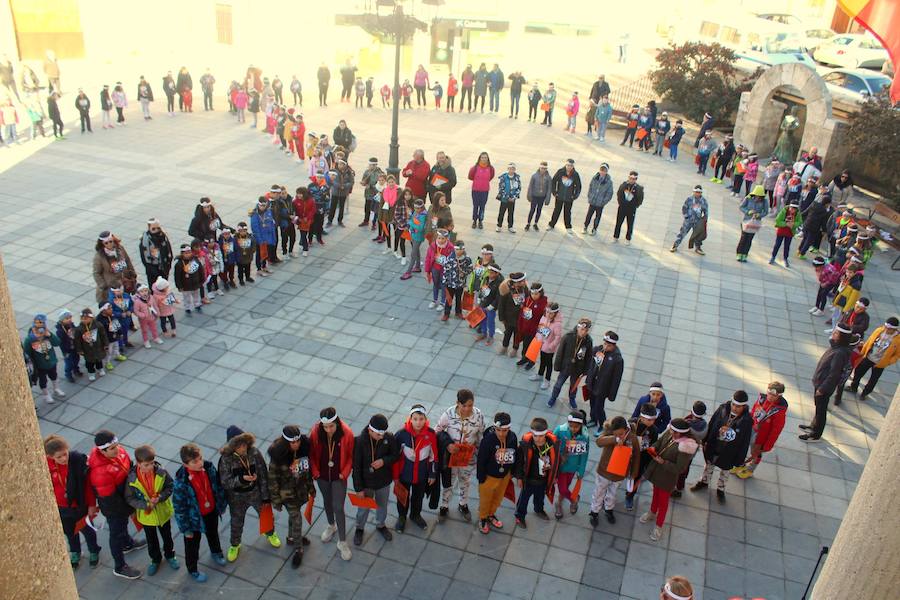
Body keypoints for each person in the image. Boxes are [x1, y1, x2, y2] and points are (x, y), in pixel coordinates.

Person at [88, 430, 145, 579]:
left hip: (123, 497)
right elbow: (110, 499)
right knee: (116, 533)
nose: (117, 450)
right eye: (112, 448)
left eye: (117, 445)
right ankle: (119, 566)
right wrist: (129, 507)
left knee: (122, 527)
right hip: (114, 506)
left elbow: (128, 465)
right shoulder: (100, 473)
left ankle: (127, 544)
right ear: (103, 451)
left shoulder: (117, 453)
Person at [218, 427, 279, 562]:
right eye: (239, 445)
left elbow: (263, 474)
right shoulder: (226, 459)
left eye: (245, 444)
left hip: (255, 493)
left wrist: (266, 496)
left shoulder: (254, 453)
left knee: (266, 515)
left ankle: (270, 533)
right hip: (237, 498)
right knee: (236, 522)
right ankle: (235, 544)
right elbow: (225, 482)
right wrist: (241, 479)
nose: (243, 448)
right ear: (233, 446)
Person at [173, 443, 227, 582]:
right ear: (186, 464)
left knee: (213, 533)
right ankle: (192, 569)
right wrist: (185, 528)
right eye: (195, 461)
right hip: (193, 519)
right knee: (192, 546)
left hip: (211, 511)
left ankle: (216, 552)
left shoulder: (208, 468)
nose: (199, 463)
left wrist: (221, 504)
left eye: (200, 458)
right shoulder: (181, 482)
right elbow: (179, 507)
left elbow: (218, 486)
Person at [45, 435, 101, 569]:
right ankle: (75, 551)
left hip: (80, 505)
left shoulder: (77, 461)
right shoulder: (46, 466)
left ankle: (94, 550)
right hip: (62, 507)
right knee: (69, 532)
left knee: (87, 530)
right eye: (59, 457)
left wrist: (92, 505)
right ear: (50, 456)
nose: (64, 459)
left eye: (65, 454)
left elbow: (87, 486)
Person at [639, 419, 699, 541]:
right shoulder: (670, 433)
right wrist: (654, 448)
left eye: (675, 432)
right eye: (672, 430)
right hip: (657, 471)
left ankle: (658, 526)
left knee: (663, 502)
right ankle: (652, 512)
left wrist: (663, 462)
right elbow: (660, 441)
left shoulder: (685, 447)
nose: (672, 433)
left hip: (667, 478)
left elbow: (680, 468)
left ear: (682, 433)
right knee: (655, 494)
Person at [124, 445, 179, 575]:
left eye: (152, 463)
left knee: (167, 536)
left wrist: (160, 497)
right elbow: (129, 498)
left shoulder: (161, 472)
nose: (150, 467)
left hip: (162, 512)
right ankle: (155, 559)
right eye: (147, 465)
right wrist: (144, 505)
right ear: (138, 464)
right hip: (146, 516)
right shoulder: (132, 479)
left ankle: (170, 555)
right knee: (151, 539)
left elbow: (170, 486)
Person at [691, 391, 753, 503]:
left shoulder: (747, 421)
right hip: (714, 445)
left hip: (729, 451)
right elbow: (712, 423)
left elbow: (745, 441)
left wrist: (740, 459)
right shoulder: (723, 409)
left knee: (725, 471)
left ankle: (721, 489)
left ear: (744, 406)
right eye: (733, 404)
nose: (734, 408)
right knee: (708, 465)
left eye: (738, 406)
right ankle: (704, 482)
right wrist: (705, 440)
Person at [309, 407, 354, 560]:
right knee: (327, 501)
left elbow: (350, 457)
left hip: (338, 476)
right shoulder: (316, 431)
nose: (328, 430)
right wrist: (315, 472)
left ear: (337, 423)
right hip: (322, 475)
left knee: (338, 506)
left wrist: (345, 473)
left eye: (331, 426)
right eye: (325, 427)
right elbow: (312, 454)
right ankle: (331, 525)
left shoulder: (347, 433)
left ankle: (342, 541)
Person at [267, 425, 315, 568]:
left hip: (300, 491)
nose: (296, 444)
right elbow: (273, 480)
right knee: (297, 519)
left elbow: (307, 471)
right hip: (287, 495)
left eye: (298, 441)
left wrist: (311, 488)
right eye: (292, 442)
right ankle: (298, 548)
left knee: (293, 518)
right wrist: (276, 501)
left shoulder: (303, 451)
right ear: (285, 442)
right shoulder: (277, 457)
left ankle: (291, 537)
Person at [435, 389, 485, 523]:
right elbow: (437, 432)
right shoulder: (448, 414)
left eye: (471, 405)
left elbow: (481, 435)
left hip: (469, 457)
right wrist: (447, 445)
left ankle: (463, 504)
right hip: (451, 457)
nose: (468, 409)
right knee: (448, 482)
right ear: (457, 403)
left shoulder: (478, 415)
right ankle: (444, 506)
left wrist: (481, 454)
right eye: (464, 406)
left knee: (465, 481)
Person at [800, 326, 855, 442]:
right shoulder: (836, 347)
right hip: (820, 383)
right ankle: (813, 425)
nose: (833, 334)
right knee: (818, 407)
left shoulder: (840, 353)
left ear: (842, 337)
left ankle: (816, 434)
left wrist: (823, 388)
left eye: (836, 333)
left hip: (824, 386)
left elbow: (834, 374)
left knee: (821, 410)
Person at [351, 414, 398, 546]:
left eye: (383, 434)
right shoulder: (359, 442)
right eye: (378, 434)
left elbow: (395, 455)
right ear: (370, 430)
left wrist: (384, 461)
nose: (381, 437)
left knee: (382, 505)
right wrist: (358, 489)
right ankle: (359, 528)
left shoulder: (389, 437)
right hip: (366, 484)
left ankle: (381, 524)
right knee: (363, 508)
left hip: (383, 481)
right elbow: (356, 467)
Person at [393, 404, 438, 532]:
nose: (418, 422)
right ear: (410, 419)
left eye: (421, 419)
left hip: (421, 475)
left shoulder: (430, 434)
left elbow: (434, 456)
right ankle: (402, 517)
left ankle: (415, 515)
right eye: (415, 419)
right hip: (404, 475)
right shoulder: (401, 435)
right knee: (402, 498)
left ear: (425, 419)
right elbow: (395, 458)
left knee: (418, 497)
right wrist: (395, 477)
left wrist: (432, 474)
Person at [589, 415, 640, 526]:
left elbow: (636, 456)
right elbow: (599, 442)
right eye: (615, 434)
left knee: (612, 493)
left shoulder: (633, 438)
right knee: (599, 492)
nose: (618, 436)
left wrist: (634, 473)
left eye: (620, 434)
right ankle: (594, 512)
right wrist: (614, 439)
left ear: (626, 429)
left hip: (619, 473)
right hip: (604, 471)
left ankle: (609, 509)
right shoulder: (610, 432)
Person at [734, 383, 788, 479]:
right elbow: (754, 411)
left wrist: (767, 446)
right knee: (743, 447)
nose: (770, 397)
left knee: (755, 453)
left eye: (773, 395)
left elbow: (776, 431)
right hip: (751, 429)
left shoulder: (779, 412)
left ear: (779, 396)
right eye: (769, 393)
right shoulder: (761, 400)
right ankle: (739, 463)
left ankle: (750, 469)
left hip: (761, 437)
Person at [476, 412, 517, 534]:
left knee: (498, 498)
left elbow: (515, 455)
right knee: (485, 499)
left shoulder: (513, 438)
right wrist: (481, 477)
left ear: (509, 428)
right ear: (494, 428)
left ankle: (491, 514)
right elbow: (481, 459)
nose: (501, 433)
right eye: (498, 430)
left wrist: (512, 472)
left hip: (504, 476)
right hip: (489, 477)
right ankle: (483, 518)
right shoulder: (488, 440)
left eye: (504, 431)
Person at [513, 417, 558, 527]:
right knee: (523, 500)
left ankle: (538, 509)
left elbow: (556, 460)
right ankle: (520, 516)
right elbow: (518, 462)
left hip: (543, 479)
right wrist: (519, 477)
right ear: (531, 434)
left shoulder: (551, 445)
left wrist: (555, 476)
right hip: (528, 480)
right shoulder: (525, 445)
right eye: (535, 436)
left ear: (546, 434)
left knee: (540, 497)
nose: (538, 439)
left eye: (541, 436)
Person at [847, 317, 900, 400]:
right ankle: (853, 387)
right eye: (885, 327)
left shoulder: (898, 339)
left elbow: (897, 355)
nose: (886, 330)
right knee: (858, 372)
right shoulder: (879, 330)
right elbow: (869, 341)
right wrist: (863, 351)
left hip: (880, 363)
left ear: (894, 329)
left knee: (873, 380)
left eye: (889, 329)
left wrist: (888, 362)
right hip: (869, 356)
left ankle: (865, 393)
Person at [552, 410, 590, 518]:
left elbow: (584, 455)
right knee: (563, 488)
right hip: (560, 466)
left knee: (565, 486)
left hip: (573, 467)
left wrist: (581, 470)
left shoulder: (585, 436)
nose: (573, 429)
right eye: (571, 426)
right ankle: (573, 499)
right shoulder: (560, 430)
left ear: (581, 425)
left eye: (576, 427)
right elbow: (551, 444)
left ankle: (559, 503)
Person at [584, 331, 624, 431]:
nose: (605, 347)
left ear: (614, 345)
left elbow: (616, 379)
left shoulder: (617, 359)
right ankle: (593, 419)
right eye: (605, 344)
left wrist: (612, 394)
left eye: (609, 345)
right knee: (592, 403)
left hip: (603, 388)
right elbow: (591, 365)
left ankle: (603, 424)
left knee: (599, 407)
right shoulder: (597, 350)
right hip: (593, 383)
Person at [548, 318, 593, 407]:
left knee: (574, 386)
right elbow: (560, 352)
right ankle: (553, 397)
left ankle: (572, 398)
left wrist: (586, 370)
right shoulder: (568, 337)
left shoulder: (588, 341)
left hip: (578, 369)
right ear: (578, 328)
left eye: (586, 330)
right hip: (566, 366)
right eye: (582, 329)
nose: (584, 332)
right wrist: (557, 365)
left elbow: (588, 357)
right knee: (558, 384)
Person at [23, 313, 65, 404]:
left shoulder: (47, 335)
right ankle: (46, 394)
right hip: (40, 365)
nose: (39, 332)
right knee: (43, 381)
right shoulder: (29, 340)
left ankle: (56, 388)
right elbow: (27, 354)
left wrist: (50, 335)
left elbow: (57, 343)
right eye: (37, 329)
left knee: (54, 376)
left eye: (41, 328)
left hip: (52, 362)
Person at [93, 231, 135, 304]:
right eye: (106, 243)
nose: (109, 244)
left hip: (125, 284)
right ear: (102, 244)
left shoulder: (120, 248)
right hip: (112, 289)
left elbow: (128, 261)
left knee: (127, 306)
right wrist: (103, 285)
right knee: (116, 309)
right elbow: (96, 273)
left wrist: (132, 274)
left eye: (110, 241)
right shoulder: (99, 256)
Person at [517, 282, 548, 368]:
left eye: (536, 294)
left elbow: (546, 319)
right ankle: (524, 358)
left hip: (536, 331)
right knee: (525, 345)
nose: (534, 295)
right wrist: (520, 325)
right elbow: (522, 312)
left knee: (534, 347)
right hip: (527, 328)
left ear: (540, 293)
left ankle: (531, 362)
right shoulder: (527, 300)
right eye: (532, 293)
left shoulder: (544, 304)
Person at [441, 239, 473, 320]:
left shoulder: (467, 259)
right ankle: (446, 313)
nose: (459, 251)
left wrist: (464, 272)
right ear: (454, 249)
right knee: (448, 299)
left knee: (459, 299)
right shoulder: (450, 257)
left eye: (461, 249)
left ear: (463, 249)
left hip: (460, 283)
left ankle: (458, 312)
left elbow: (470, 268)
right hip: (450, 283)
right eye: (457, 249)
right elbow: (445, 269)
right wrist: (444, 282)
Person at [735, 184, 769, 262]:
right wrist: (748, 212)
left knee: (749, 239)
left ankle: (745, 254)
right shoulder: (748, 198)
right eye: (757, 196)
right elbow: (741, 207)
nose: (758, 198)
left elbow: (766, 211)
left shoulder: (764, 201)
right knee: (743, 238)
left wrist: (759, 215)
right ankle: (739, 253)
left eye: (760, 197)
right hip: (746, 221)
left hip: (755, 222)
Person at [671, 186, 708, 255]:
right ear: (693, 192)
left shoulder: (703, 201)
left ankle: (698, 248)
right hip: (688, 220)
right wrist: (686, 216)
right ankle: (675, 245)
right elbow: (684, 208)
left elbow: (706, 211)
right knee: (682, 233)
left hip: (697, 221)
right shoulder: (689, 199)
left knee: (697, 235)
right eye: (696, 192)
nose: (697, 194)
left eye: (699, 192)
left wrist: (704, 220)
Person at [497, 272, 528, 356]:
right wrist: (502, 318)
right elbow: (501, 305)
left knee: (517, 335)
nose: (524, 282)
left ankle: (515, 348)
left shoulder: (525, 289)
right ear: (516, 282)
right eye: (522, 281)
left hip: (520, 318)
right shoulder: (507, 291)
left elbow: (528, 301)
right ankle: (504, 346)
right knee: (507, 333)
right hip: (509, 318)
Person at [548, 159, 582, 233]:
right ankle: (551, 224)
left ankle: (568, 227)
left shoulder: (575, 174)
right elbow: (554, 181)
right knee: (556, 210)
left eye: (571, 166)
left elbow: (578, 186)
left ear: (573, 166)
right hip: (559, 196)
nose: (569, 167)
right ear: (566, 165)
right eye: (568, 165)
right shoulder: (560, 172)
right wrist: (554, 192)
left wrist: (574, 196)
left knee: (567, 212)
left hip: (569, 198)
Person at [74, 308, 108, 381]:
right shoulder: (79, 329)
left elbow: (103, 335)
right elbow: (77, 340)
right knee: (89, 362)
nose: (84, 320)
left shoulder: (98, 325)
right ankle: (91, 373)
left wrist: (105, 344)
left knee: (99, 360)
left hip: (98, 347)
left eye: (86, 319)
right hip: (87, 349)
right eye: (82, 319)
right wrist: (79, 349)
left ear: (91, 318)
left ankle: (100, 369)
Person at [611, 171, 644, 244]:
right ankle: (615, 236)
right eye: (631, 178)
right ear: (628, 178)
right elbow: (619, 194)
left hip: (631, 209)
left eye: (634, 179)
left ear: (636, 179)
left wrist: (635, 206)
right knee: (618, 222)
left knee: (630, 224)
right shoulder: (624, 185)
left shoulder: (638, 188)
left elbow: (640, 199)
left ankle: (628, 238)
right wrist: (621, 203)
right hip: (622, 207)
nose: (632, 180)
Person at [138, 217, 173, 284]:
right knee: (154, 287)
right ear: (149, 228)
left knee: (164, 285)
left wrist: (168, 264)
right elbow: (144, 257)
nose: (156, 230)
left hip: (163, 266)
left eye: (158, 228)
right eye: (153, 229)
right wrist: (150, 268)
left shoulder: (163, 237)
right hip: (152, 268)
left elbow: (169, 250)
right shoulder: (145, 240)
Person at [768, 201, 802, 267]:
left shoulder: (798, 214)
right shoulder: (784, 211)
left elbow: (799, 222)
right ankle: (773, 257)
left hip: (790, 232)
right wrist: (786, 224)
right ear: (789, 207)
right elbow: (777, 220)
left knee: (787, 246)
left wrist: (793, 224)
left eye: (794, 209)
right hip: (781, 231)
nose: (792, 210)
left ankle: (785, 259)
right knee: (777, 245)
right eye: (791, 208)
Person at [583, 163, 614, 235]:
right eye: (601, 170)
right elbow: (590, 187)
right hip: (592, 201)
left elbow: (609, 193)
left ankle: (594, 229)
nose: (602, 172)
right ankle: (585, 226)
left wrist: (603, 201)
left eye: (604, 170)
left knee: (597, 216)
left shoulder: (609, 182)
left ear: (607, 171)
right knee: (589, 215)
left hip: (600, 203)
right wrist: (590, 196)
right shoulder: (595, 178)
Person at [467, 151, 495, 229]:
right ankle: (474, 221)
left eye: (485, 157)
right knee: (475, 206)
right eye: (482, 157)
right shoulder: (474, 168)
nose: (484, 159)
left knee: (482, 206)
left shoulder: (491, 168)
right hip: (475, 190)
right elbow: (470, 176)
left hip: (485, 191)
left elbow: (491, 176)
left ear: (488, 159)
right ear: (479, 158)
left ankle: (480, 221)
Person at [55, 309, 82, 383]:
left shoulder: (71, 325)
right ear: (62, 320)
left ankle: (76, 369)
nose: (69, 319)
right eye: (67, 318)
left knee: (76, 359)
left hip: (74, 347)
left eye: (70, 317)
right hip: (67, 350)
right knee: (69, 363)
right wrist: (65, 350)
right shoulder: (60, 331)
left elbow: (75, 332)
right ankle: (68, 374)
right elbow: (61, 342)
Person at [525, 161, 552, 231]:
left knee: (539, 210)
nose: (543, 170)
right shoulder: (534, 176)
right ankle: (528, 223)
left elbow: (549, 189)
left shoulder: (548, 178)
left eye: (544, 168)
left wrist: (548, 198)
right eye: (542, 168)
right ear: (539, 168)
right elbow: (530, 186)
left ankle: (535, 223)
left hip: (542, 197)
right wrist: (529, 195)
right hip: (534, 196)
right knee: (532, 210)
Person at [496, 163, 521, 232]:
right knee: (501, 212)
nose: (511, 170)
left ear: (515, 170)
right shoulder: (503, 177)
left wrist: (514, 197)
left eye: (513, 169)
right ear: (508, 169)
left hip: (512, 200)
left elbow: (519, 188)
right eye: (510, 169)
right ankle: (499, 225)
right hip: (504, 199)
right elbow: (501, 188)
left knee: (511, 213)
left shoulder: (517, 178)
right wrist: (507, 197)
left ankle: (510, 226)